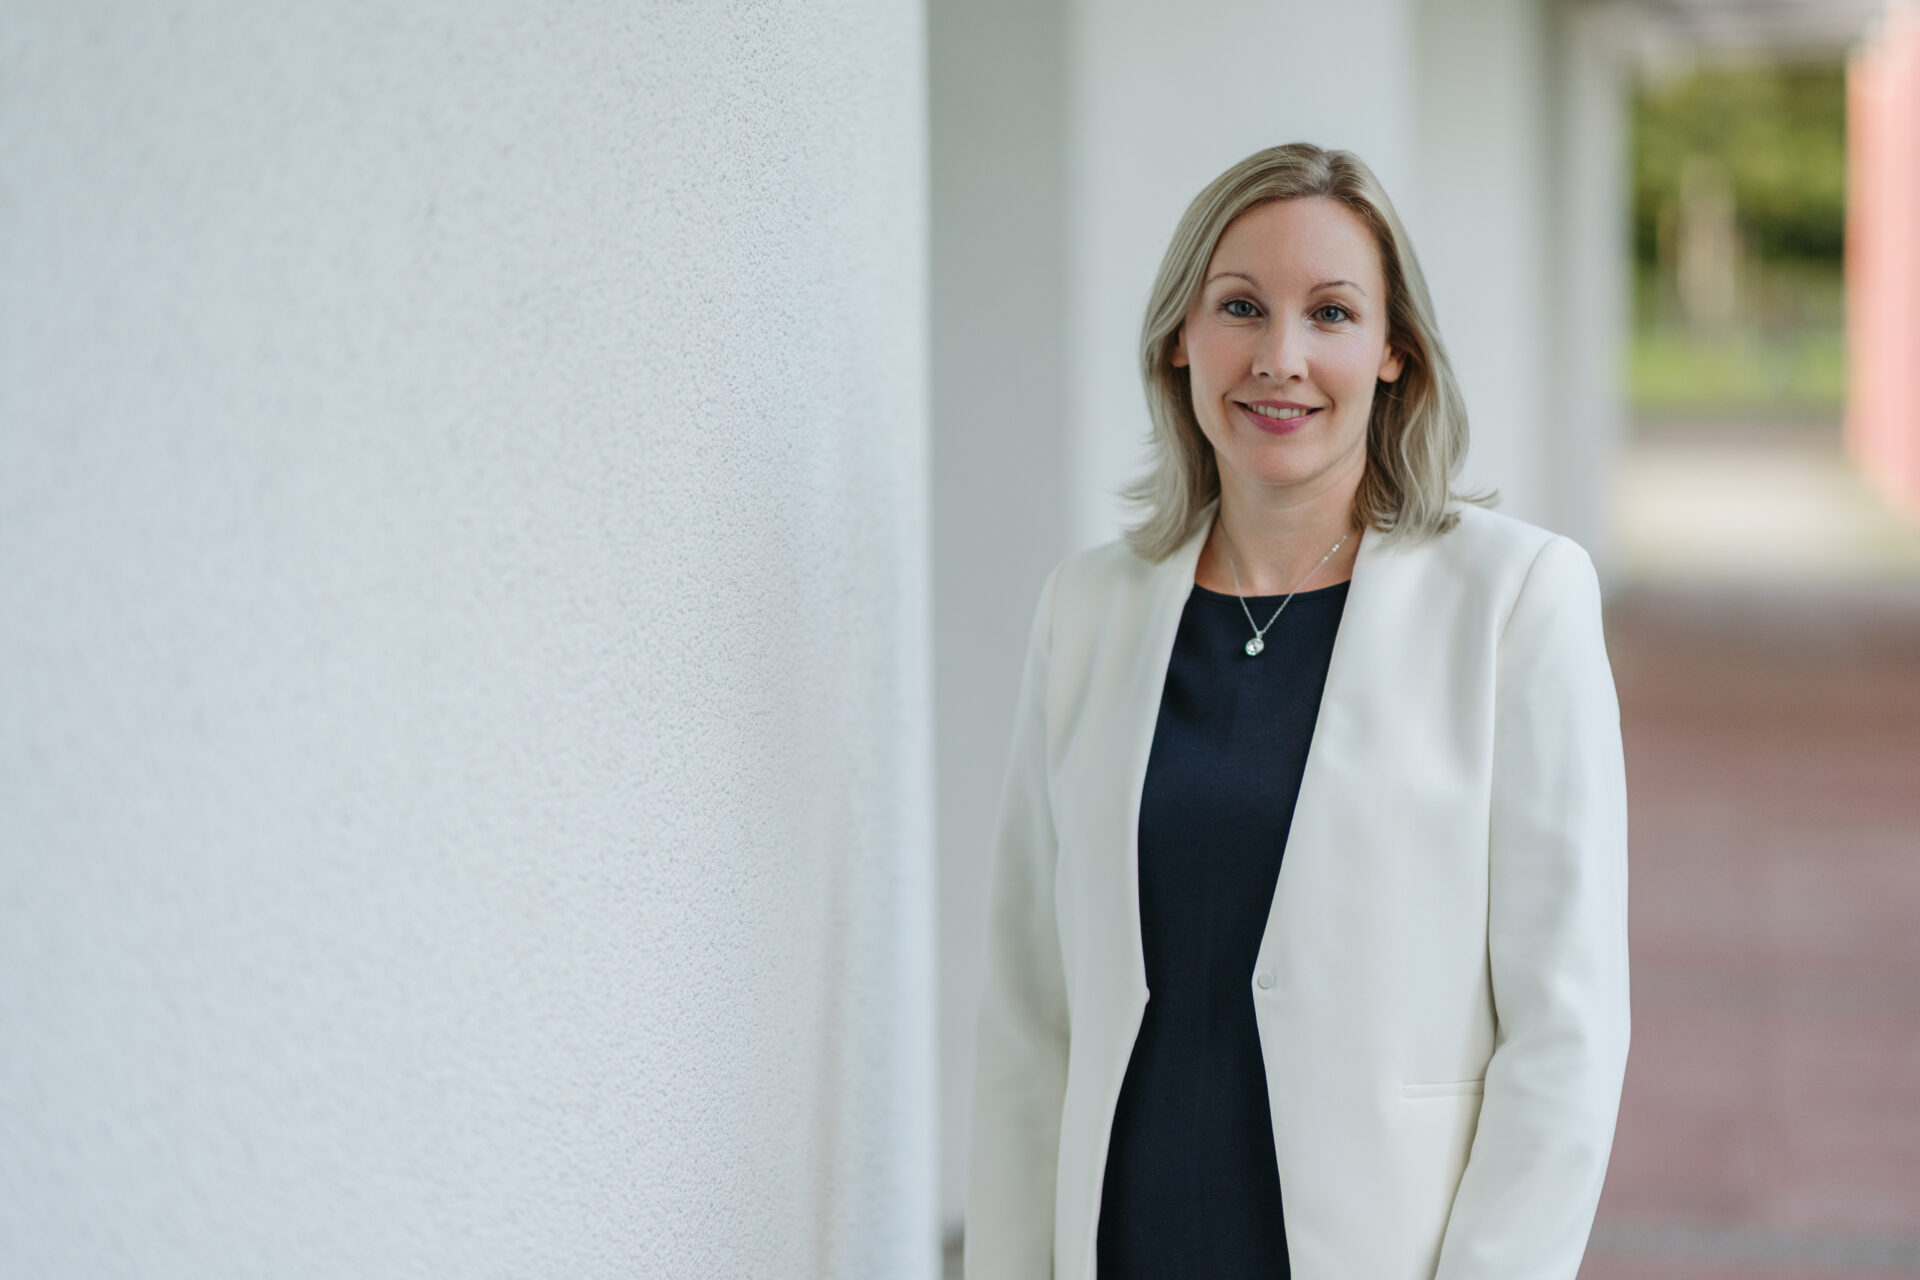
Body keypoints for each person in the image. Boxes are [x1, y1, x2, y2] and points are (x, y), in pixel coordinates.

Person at [963, 142, 1630, 1280]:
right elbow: (1030, 1020)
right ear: (1181, 339)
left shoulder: (1516, 599)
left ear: (1392, 355)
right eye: (1240, 307)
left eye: (1330, 312)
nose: (1281, 358)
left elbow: (1566, 1031)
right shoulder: (1087, 609)